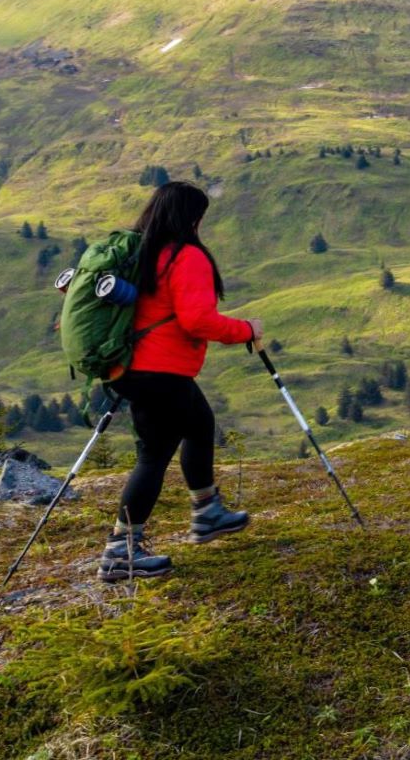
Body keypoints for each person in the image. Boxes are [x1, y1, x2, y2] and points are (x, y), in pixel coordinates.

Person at [99, 181, 261, 582]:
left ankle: (207, 513)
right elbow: (197, 320)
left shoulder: (139, 253)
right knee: (153, 456)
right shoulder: (185, 256)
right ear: (192, 217)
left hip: (133, 368)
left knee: (199, 423)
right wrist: (245, 330)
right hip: (161, 371)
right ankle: (121, 552)